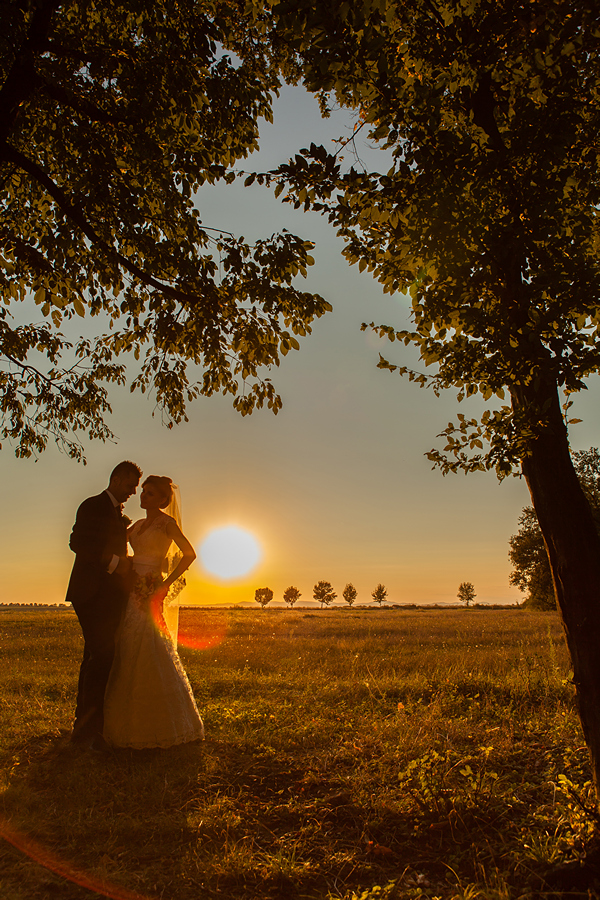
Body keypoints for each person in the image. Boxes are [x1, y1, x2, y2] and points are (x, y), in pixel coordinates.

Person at [103, 475, 204, 749]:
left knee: (150, 644)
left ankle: (161, 723)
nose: (143, 496)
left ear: (162, 499)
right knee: (127, 643)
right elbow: (118, 547)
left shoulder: (166, 523)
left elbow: (189, 554)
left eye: (149, 493)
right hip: (131, 589)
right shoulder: (135, 526)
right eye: (143, 492)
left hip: (150, 589)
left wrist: (164, 585)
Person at [66, 460, 142, 748]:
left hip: (107, 596)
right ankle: (89, 732)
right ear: (117, 479)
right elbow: (78, 543)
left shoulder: (117, 513)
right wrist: (115, 563)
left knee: (95, 659)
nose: (132, 492)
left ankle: (84, 727)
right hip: (90, 593)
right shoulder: (92, 505)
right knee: (102, 657)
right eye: (130, 486)